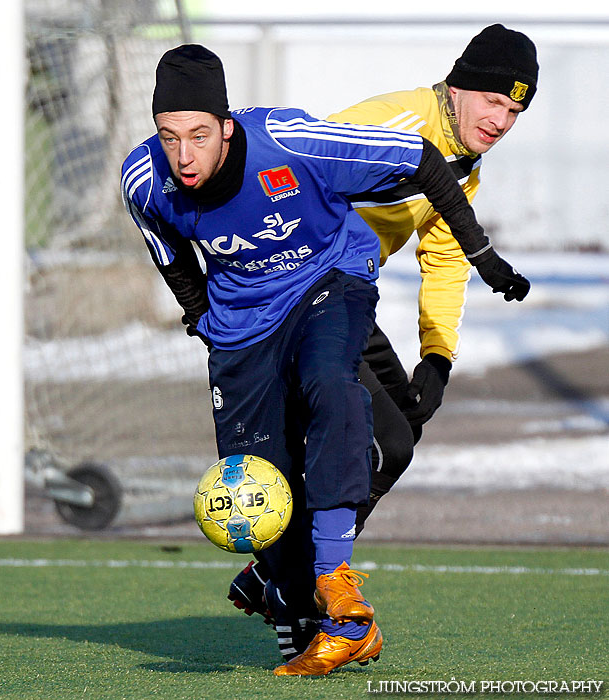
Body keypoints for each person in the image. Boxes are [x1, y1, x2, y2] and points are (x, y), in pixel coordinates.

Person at [121, 43, 528, 676]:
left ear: (225, 128)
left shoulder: (437, 159)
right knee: (261, 470)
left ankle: (325, 578)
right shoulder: (148, 180)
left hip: (331, 280)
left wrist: (446, 339)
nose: (184, 154)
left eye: (198, 135)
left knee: (360, 410)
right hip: (251, 317)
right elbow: (171, 250)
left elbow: (434, 220)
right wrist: (206, 321)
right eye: (169, 137)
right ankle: (291, 594)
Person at [228, 22, 538, 660]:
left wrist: (439, 354)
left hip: (347, 296)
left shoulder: (465, 168)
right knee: (366, 435)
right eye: (493, 101)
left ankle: (284, 572)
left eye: (515, 110)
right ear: (457, 87)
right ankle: (293, 582)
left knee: (399, 432)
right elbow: (292, 171)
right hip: (294, 298)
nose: (502, 120)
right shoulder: (394, 122)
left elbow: (447, 259)